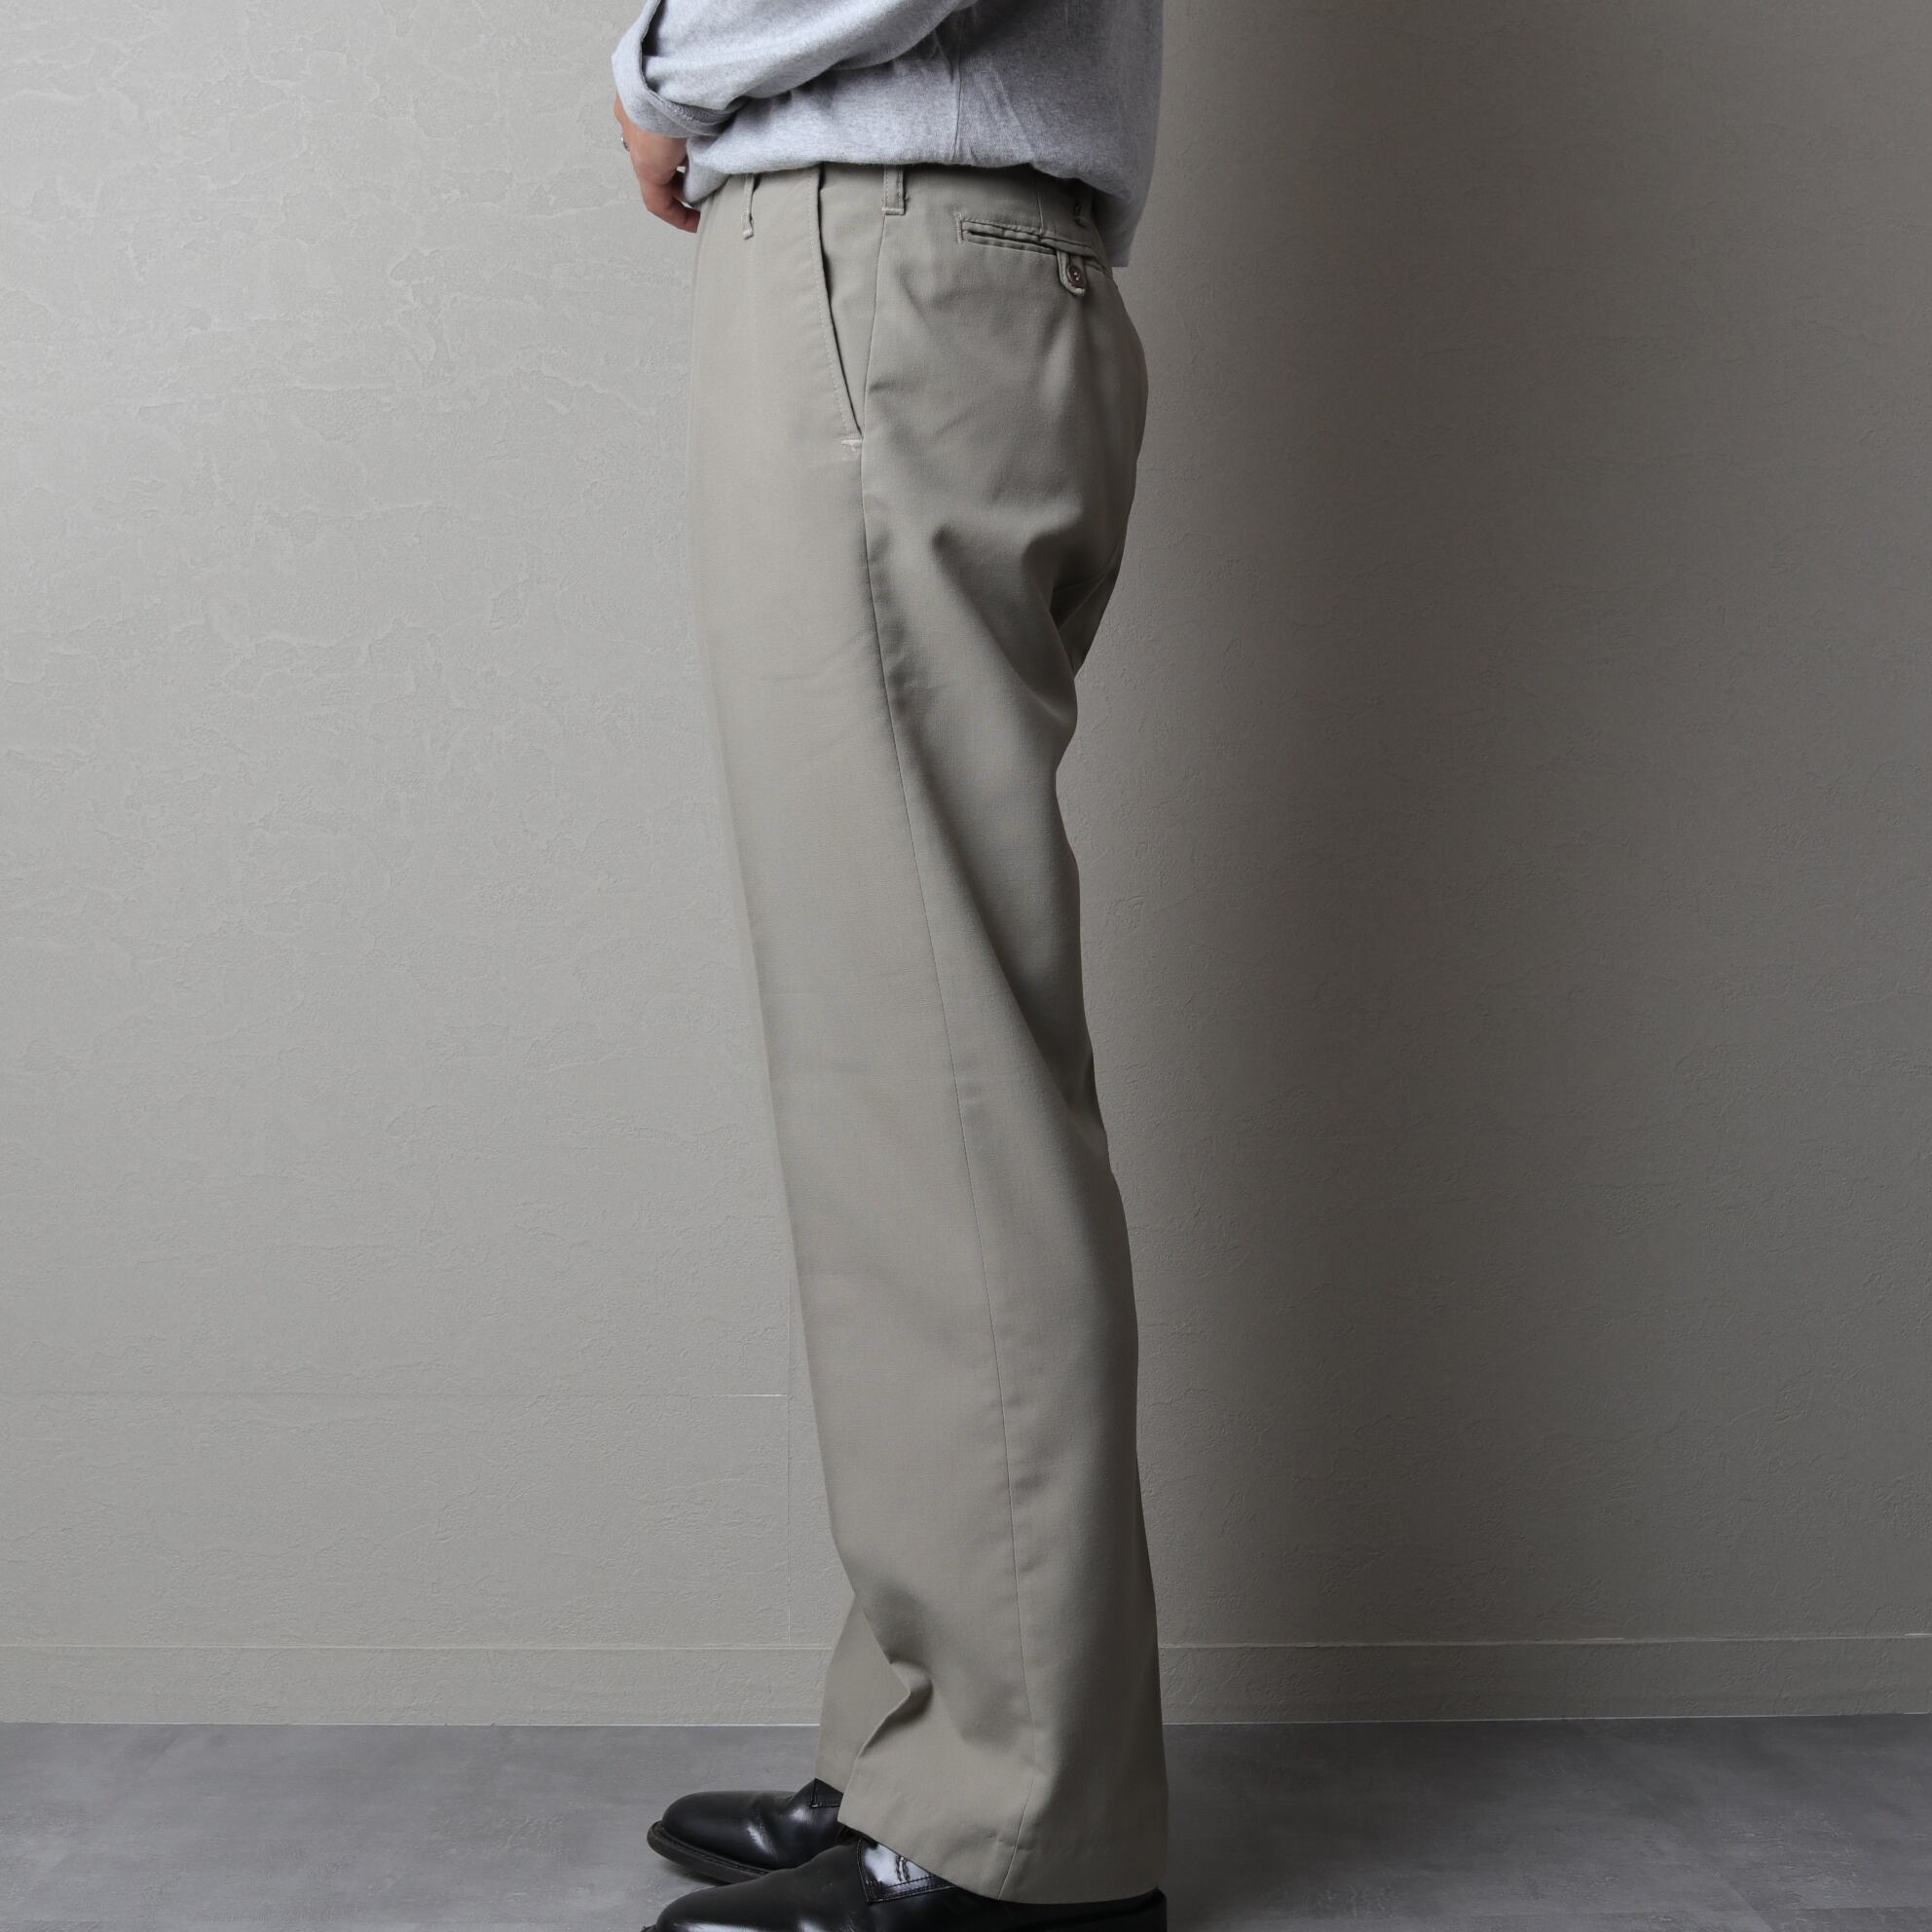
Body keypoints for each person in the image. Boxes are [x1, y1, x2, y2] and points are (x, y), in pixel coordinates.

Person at [611, 7, 1168, 1931]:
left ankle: (1014, 1825)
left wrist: (660, 68)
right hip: (939, 266)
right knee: (907, 1064)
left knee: (928, 1081)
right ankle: (928, 1742)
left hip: (886, 254)